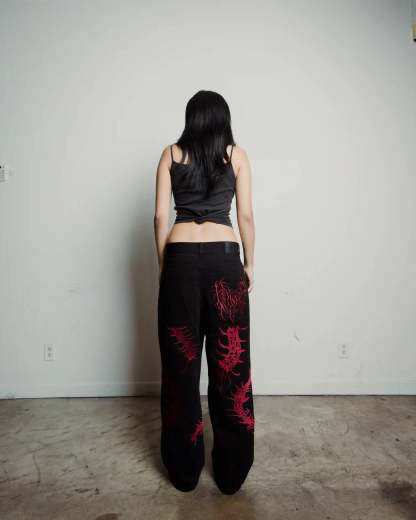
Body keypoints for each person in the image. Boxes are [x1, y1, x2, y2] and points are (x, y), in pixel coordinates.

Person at [153, 90, 255, 495]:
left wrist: (166, 266)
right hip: (224, 261)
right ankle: (231, 473)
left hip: (179, 260)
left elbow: (160, 216)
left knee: (180, 366)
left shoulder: (170, 154)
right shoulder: (237, 156)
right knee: (231, 366)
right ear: (223, 119)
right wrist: (249, 264)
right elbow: (245, 215)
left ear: (190, 119)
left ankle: (184, 471)